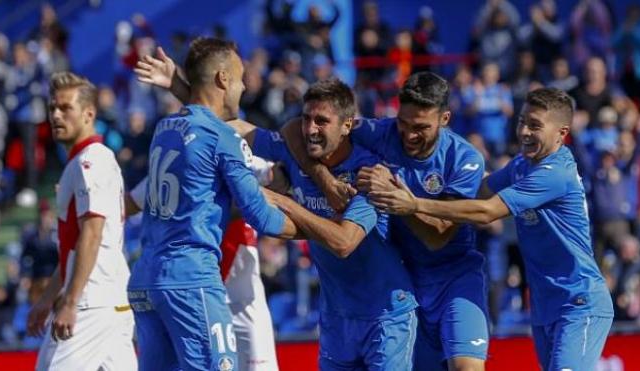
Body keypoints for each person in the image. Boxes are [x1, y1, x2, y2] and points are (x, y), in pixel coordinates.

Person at [136, 52, 419, 369]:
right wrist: (177, 84)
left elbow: (343, 242)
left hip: (385, 313)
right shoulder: (294, 150)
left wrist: (282, 200)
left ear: (347, 126)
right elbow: (224, 125)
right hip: (337, 315)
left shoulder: (368, 174)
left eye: (321, 122)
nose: (310, 129)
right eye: (306, 118)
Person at [370, 87, 614, 370]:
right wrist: (442, 172)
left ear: (562, 133)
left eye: (535, 126)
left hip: (579, 301)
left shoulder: (555, 174)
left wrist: (414, 205)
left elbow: (486, 211)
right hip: (546, 304)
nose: (524, 131)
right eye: (522, 121)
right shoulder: (523, 165)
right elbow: (480, 188)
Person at [283, 71, 489, 371]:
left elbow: (438, 236)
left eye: (420, 127)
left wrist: (400, 201)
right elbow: (291, 130)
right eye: (403, 123)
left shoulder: (464, 159)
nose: (408, 134)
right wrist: (325, 181)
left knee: (466, 368)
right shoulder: (381, 132)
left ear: (444, 119)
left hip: (454, 277)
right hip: (406, 284)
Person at [126, 37, 296, 371]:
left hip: (147, 279)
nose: (245, 86)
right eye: (241, 76)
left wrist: (177, 84)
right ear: (223, 79)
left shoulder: (165, 127)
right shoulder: (222, 138)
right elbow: (261, 216)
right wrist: (325, 230)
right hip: (193, 281)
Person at [125, 154, 282, 371]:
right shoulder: (177, 163)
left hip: (242, 298)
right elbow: (130, 203)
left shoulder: (238, 154)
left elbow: (280, 177)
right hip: (194, 296)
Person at [26, 72, 137, 370]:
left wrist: (71, 302)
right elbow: (74, 248)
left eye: (65, 108)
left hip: (92, 304)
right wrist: (48, 298)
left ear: (89, 114)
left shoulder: (92, 161)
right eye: (52, 108)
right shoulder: (81, 163)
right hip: (110, 300)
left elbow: (91, 234)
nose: (56, 115)